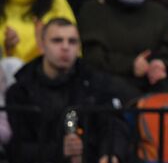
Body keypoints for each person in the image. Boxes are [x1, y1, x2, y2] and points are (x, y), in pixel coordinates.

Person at [6, 18, 128, 163]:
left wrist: (110, 155)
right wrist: (59, 150)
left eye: (72, 41)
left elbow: (113, 126)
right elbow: (17, 149)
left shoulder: (96, 83)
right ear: (41, 45)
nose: (65, 47)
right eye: (57, 40)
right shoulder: (20, 90)